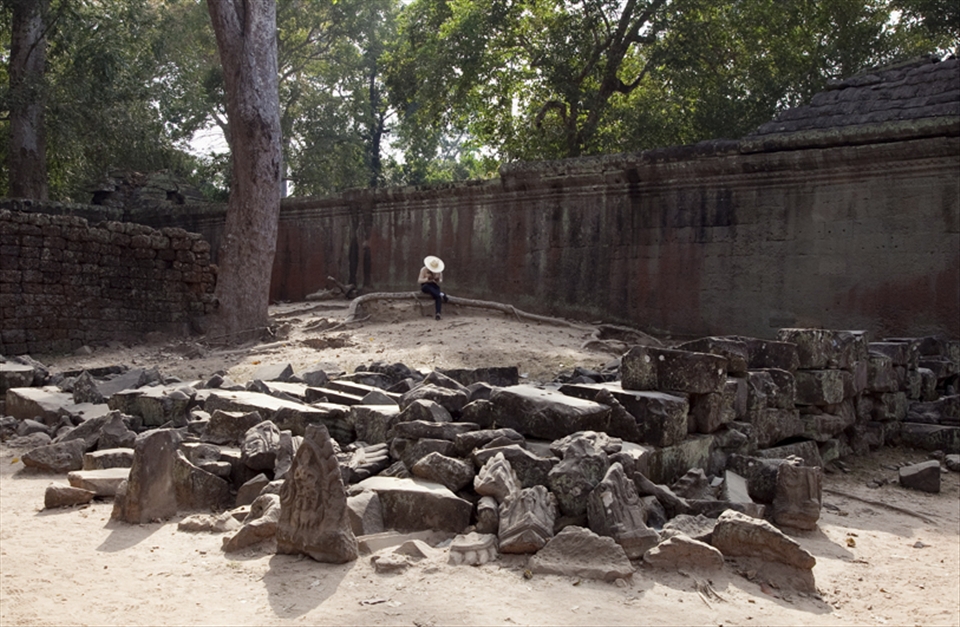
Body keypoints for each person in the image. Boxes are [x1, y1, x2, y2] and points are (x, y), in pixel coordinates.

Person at [418, 255, 449, 320]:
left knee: (438, 297)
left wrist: (436, 280)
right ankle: (441, 294)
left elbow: (440, 280)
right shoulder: (423, 270)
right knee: (426, 287)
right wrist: (426, 279)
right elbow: (419, 280)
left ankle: (438, 313)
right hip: (426, 285)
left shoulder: (439, 271)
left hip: (434, 285)